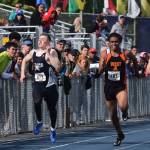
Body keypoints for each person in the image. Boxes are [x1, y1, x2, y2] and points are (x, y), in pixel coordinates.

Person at [20, 33, 61, 144]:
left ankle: (52, 129)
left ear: (48, 42)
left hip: (50, 86)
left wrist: (49, 54)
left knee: (52, 109)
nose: (40, 41)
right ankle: (39, 121)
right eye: (39, 39)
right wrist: (22, 74)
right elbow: (24, 60)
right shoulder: (33, 52)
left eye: (43, 40)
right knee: (36, 102)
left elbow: (58, 66)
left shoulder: (51, 52)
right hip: (38, 84)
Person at [99, 33, 129, 146]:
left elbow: (135, 60)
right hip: (109, 86)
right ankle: (120, 134)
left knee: (123, 106)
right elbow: (101, 69)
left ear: (119, 42)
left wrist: (136, 72)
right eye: (111, 42)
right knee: (112, 115)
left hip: (120, 86)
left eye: (116, 41)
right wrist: (99, 71)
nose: (114, 43)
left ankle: (125, 113)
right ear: (108, 43)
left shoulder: (124, 53)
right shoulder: (105, 54)